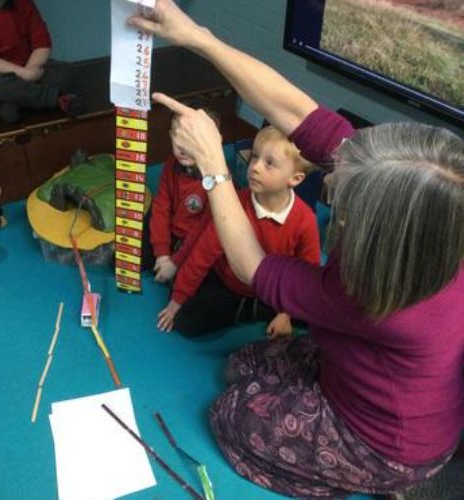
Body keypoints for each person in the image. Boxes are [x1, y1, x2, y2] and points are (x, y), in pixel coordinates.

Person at [130, 2, 464, 498]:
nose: (333, 195)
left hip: (386, 447)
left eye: (341, 205)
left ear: (377, 235)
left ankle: (351, 479)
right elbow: (294, 111)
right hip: (362, 372)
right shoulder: (420, 205)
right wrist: (197, 36)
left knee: (230, 411)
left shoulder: (367, 295)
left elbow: (253, 266)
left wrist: (212, 164)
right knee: (239, 365)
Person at [158, 125, 320, 338]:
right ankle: (249, 311)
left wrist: (286, 314)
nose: (255, 167)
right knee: (185, 320)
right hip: (228, 284)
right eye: (254, 157)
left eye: (269, 164)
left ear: (295, 179)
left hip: (274, 292)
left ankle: (256, 310)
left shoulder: (305, 219)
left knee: (325, 313)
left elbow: (307, 273)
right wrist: (177, 300)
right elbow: (203, 253)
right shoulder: (233, 203)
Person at [142, 98, 221, 283]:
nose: (183, 148)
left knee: (183, 286)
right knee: (123, 261)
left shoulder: (218, 181)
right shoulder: (171, 165)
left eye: (191, 140)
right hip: (171, 230)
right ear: (170, 136)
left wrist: (176, 261)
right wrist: (161, 252)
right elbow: (161, 207)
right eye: (178, 138)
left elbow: (205, 232)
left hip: (194, 241)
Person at [0, 0, 81, 123]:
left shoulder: (24, 3)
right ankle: (56, 99)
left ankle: (12, 103)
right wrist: (24, 74)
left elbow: (42, 43)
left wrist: (30, 70)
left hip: (28, 64)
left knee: (65, 71)